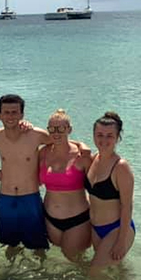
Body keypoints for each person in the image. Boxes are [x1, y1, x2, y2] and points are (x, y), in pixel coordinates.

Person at [0, 94, 50, 256]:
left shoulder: (36, 135)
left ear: (22, 114)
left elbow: (61, 144)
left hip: (30, 197)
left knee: (38, 246)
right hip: (5, 198)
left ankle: (41, 271)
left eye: (14, 112)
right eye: (6, 112)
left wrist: (43, 169)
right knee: (10, 245)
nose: (10, 116)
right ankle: (8, 272)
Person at [38, 109, 92, 262]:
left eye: (61, 128)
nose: (56, 133)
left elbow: (97, 187)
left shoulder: (82, 156)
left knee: (75, 261)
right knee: (57, 262)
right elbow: (34, 179)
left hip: (77, 219)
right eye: (52, 129)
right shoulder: (43, 152)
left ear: (69, 129)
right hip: (49, 219)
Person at [86, 111, 135, 271]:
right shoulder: (94, 159)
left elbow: (127, 206)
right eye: (99, 135)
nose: (104, 140)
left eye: (110, 136)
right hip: (96, 228)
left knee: (94, 272)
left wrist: (121, 241)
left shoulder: (121, 167)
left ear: (117, 138)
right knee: (114, 271)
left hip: (116, 229)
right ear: (93, 135)